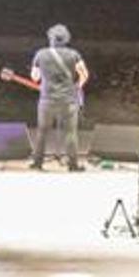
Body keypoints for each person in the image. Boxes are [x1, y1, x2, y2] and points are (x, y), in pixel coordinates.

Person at [29, 24, 89, 172]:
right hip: (68, 100)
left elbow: (35, 77)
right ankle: (73, 165)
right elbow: (85, 74)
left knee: (42, 131)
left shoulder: (40, 54)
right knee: (70, 132)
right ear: (67, 38)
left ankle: (37, 163)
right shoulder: (74, 55)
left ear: (50, 38)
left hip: (47, 100)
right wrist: (77, 86)